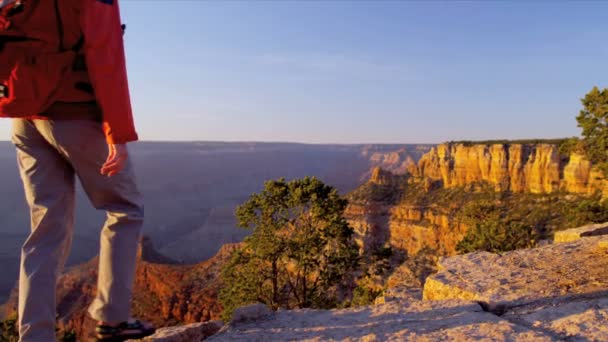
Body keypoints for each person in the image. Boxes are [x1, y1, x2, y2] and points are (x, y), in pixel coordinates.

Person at [1, 0, 155, 340]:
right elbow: (106, 54)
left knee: (46, 228)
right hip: (74, 113)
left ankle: (35, 336)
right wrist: (119, 133)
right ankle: (112, 317)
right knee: (125, 208)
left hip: (25, 117)